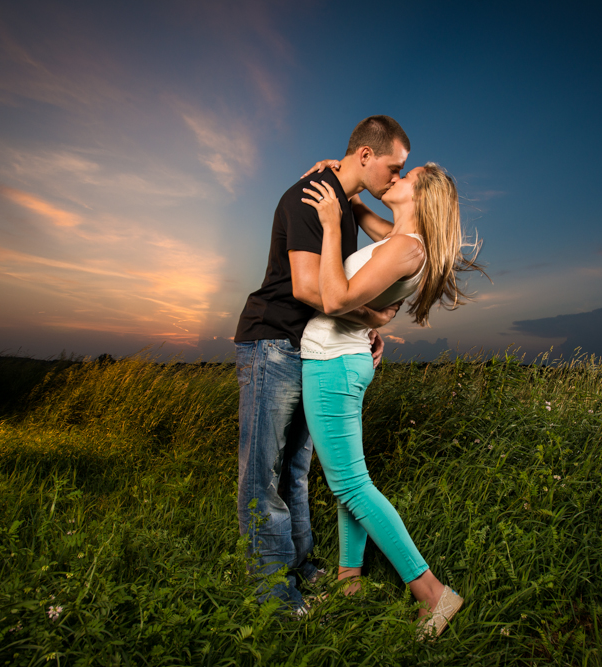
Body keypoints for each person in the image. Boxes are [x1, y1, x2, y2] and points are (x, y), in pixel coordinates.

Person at [298, 161, 483, 637]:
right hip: (344, 358)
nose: (395, 179)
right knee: (349, 481)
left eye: (406, 176)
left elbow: (336, 299)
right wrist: (340, 178)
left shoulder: (405, 248)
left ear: (421, 197)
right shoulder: (399, 237)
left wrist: (329, 224)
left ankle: (433, 594)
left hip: (332, 361)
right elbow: (363, 211)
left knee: (351, 485)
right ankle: (348, 579)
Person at [233, 115, 411, 610]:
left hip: (309, 346)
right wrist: (372, 315)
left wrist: (366, 327)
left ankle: (301, 565)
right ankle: (271, 590)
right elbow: (311, 287)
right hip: (271, 341)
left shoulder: (344, 207)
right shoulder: (312, 197)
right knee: (261, 472)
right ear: (366, 156)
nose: (396, 178)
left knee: (296, 468)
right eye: (394, 167)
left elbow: (344, 284)